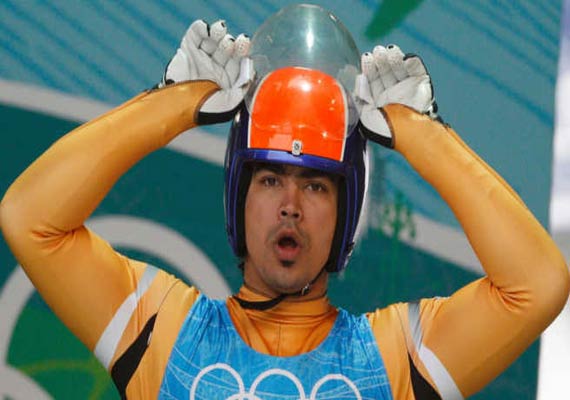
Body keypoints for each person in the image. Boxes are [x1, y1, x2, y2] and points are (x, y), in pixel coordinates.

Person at [1, 4, 568, 400]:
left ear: (346, 214)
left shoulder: (391, 357)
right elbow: (29, 219)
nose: (291, 204)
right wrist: (174, 103)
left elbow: (537, 284)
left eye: (316, 185)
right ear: (238, 197)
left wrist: (421, 133)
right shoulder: (161, 332)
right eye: (270, 179)